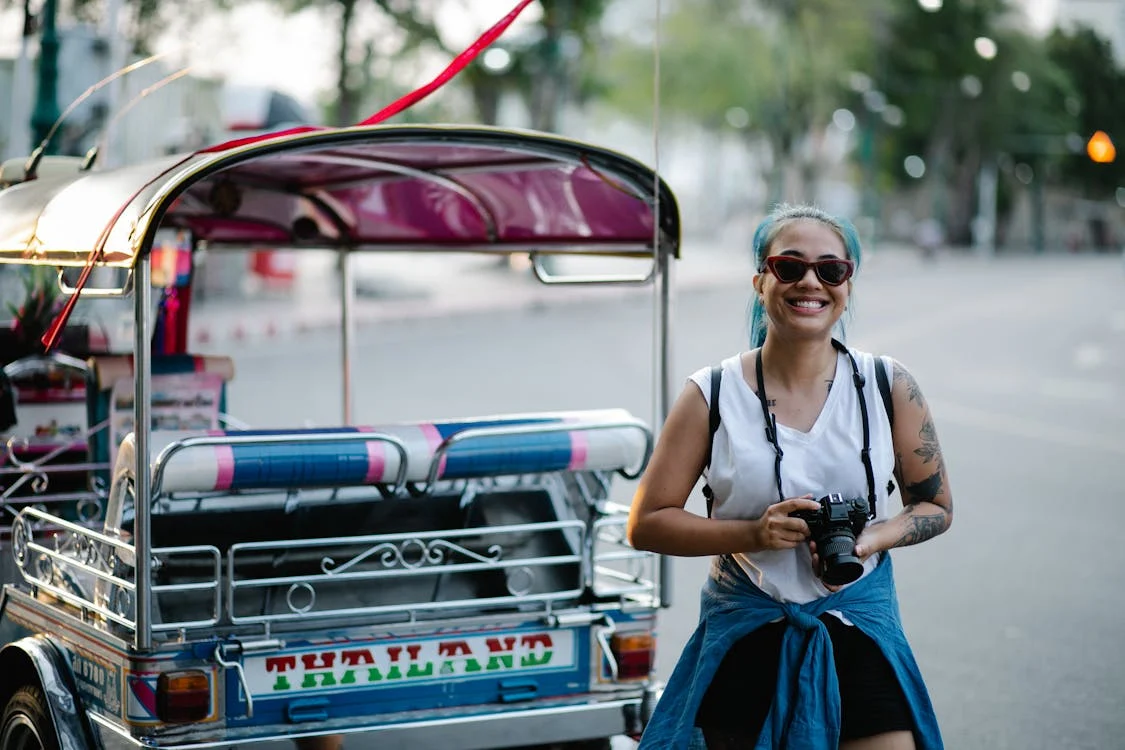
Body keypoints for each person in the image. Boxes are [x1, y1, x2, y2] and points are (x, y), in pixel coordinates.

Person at [627, 204, 953, 750]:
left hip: (858, 624)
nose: (811, 283)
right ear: (760, 280)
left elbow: (935, 505)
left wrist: (869, 538)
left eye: (831, 270)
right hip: (749, 629)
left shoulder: (888, 385)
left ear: (847, 284)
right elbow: (647, 523)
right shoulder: (710, 394)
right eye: (790, 267)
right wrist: (754, 534)